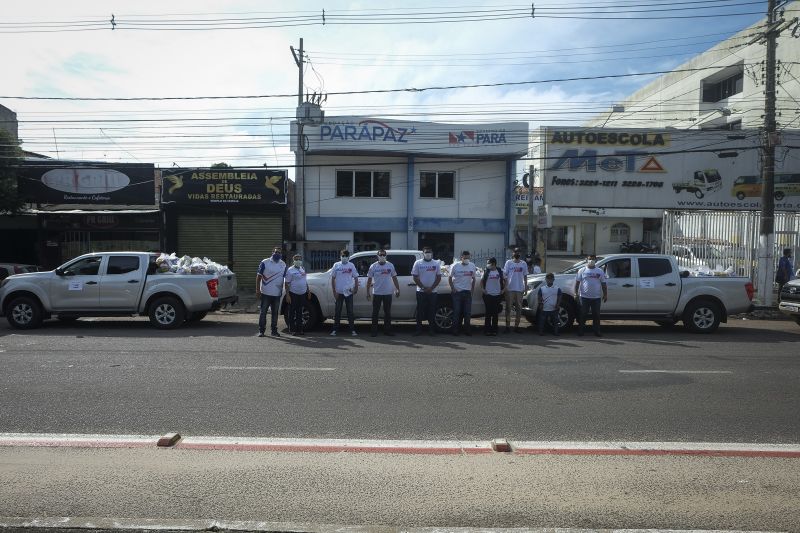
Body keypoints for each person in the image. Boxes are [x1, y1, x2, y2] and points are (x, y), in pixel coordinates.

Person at [366, 249, 400, 337]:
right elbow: (369, 280)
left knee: (387, 313)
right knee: (375, 313)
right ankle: (374, 331)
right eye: (380, 255)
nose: (382, 256)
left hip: (388, 293)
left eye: (383, 255)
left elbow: (394, 278)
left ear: (386, 256)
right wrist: (367, 292)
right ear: (377, 256)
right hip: (377, 293)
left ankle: (387, 331)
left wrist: (397, 289)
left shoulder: (390, 265)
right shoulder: (373, 266)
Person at [574, 256, 607, 337]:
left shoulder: (599, 271)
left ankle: (597, 331)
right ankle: (581, 331)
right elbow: (577, 283)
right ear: (586, 260)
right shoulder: (582, 270)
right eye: (590, 259)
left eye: (593, 259)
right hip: (584, 297)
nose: (591, 260)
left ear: (596, 260)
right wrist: (575, 294)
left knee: (596, 315)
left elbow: (603, 283)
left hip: (596, 298)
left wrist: (605, 294)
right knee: (583, 314)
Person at [411, 246, 442, 336]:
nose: (428, 254)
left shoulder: (436, 263)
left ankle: (431, 330)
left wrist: (431, 288)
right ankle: (418, 330)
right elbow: (415, 277)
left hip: (433, 292)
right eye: (426, 252)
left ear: (432, 253)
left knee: (431, 311)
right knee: (420, 311)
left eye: (429, 252)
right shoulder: (418, 263)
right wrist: (423, 288)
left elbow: (439, 277)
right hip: (421, 291)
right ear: (423, 253)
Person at [256, 246, 286, 337]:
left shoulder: (283, 264)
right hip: (265, 293)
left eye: (279, 253)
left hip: (277, 294)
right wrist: (257, 290)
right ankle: (261, 331)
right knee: (263, 312)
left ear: (281, 254)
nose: (277, 254)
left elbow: (285, 279)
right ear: (272, 252)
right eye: (276, 252)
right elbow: (258, 277)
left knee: (275, 313)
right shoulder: (265, 262)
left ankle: (274, 331)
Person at [330, 249, 359, 336]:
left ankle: (352, 330)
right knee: (337, 312)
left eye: (346, 256)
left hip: (348, 293)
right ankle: (335, 330)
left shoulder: (351, 265)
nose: (344, 257)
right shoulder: (336, 265)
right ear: (340, 256)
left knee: (350, 312)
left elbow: (356, 277)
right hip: (339, 292)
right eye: (343, 255)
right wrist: (334, 292)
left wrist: (355, 288)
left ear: (348, 257)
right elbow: (332, 279)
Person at [449, 250, 477, 336]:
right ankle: (455, 330)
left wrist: (472, 290)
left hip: (467, 293)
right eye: (465, 258)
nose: (467, 259)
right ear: (461, 257)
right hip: (457, 292)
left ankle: (467, 330)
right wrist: (453, 288)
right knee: (457, 312)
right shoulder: (455, 266)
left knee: (467, 313)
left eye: (468, 258)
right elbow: (450, 278)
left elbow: (474, 279)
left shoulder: (472, 266)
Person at [284, 253, 311, 336]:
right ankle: (292, 329)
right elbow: (286, 283)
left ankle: (300, 329)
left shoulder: (302, 268)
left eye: (300, 259)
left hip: (302, 293)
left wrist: (308, 290)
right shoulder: (290, 270)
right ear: (293, 261)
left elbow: (304, 280)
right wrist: (287, 295)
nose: (298, 261)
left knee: (300, 312)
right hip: (293, 293)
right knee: (292, 312)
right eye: (296, 259)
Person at [503, 248, 528, 333]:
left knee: (519, 308)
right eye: (515, 252)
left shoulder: (523, 263)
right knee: (508, 308)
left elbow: (525, 276)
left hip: (519, 289)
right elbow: (505, 274)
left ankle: (516, 327)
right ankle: (507, 326)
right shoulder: (508, 263)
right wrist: (505, 286)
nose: (517, 253)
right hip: (510, 289)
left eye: (518, 252)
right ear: (513, 253)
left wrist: (525, 287)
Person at [481, 257, 504, 336]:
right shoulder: (486, 271)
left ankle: (494, 330)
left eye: (489, 263)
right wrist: (482, 289)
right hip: (488, 295)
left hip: (497, 295)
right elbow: (481, 281)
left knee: (495, 313)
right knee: (488, 313)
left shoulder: (500, 271)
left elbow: (506, 281)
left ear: (493, 264)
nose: (488, 265)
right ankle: (487, 330)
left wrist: (503, 290)